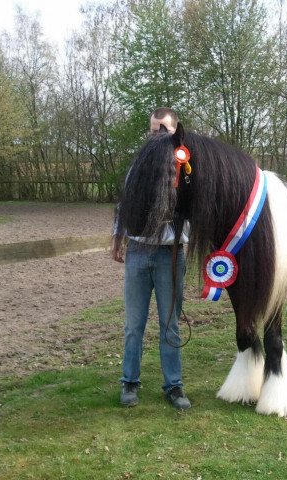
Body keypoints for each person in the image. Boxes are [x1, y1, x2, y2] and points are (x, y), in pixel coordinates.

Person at [111, 107, 191, 410]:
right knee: (134, 324)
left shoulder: (186, 168)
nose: (156, 135)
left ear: (175, 131)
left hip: (170, 255)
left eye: (163, 130)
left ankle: (174, 386)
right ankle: (129, 382)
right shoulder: (138, 166)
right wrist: (117, 239)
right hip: (138, 251)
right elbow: (123, 203)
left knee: (170, 324)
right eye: (153, 129)